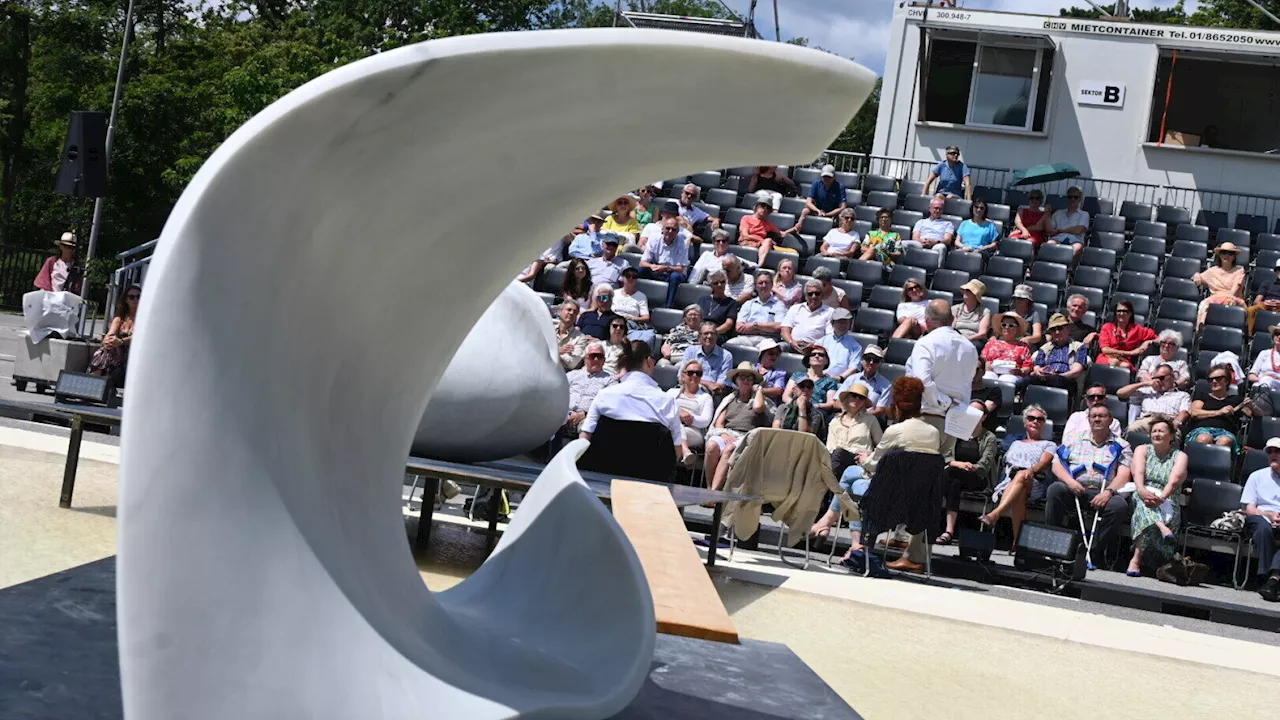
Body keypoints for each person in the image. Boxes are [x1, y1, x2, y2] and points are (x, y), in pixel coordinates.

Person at [856, 376, 943, 572]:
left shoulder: (895, 430)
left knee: (850, 477)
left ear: (896, 406)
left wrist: (863, 459)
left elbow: (874, 465)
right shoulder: (933, 433)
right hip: (921, 504)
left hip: (887, 501)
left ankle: (860, 549)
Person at [1047, 403, 1133, 568]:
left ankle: (1091, 552)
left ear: (1111, 420)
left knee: (1119, 506)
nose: (1097, 419)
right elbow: (1056, 465)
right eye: (1093, 416)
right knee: (1055, 490)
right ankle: (1054, 545)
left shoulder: (1121, 445)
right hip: (1074, 488)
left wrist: (1108, 493)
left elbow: (1123, 474)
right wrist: (1071, 482)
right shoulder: (1073, 439)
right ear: (1088, 419)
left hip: (1103, 492)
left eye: (1102, 416)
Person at [580, 340, 691, 465]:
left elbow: (585, 437)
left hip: (604, 473)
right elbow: (677, 449)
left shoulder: (604, 395)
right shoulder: (668, 401)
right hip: (652, 478)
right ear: (649, 361)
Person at [906, 299, 979, 461]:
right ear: (952, 319)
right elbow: (970, 378)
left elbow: (921, 381)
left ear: (927, 321)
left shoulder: (925, 343)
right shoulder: (970, 347)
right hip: (956, 421)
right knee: (939, 474)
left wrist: (945, 402)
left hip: (928, 417)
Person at [808, 383, 883, 540]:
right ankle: (826, 521)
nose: (856, 399)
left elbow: (881, 446)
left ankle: (822, 514)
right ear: (847, 398)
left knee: (835, 461)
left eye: (861, 397)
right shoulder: (835, 421)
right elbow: (829, 448)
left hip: (859, 462)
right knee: (836, 456)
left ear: (864, 402)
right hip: (837, 460)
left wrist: (868, 455)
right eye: (853, 396)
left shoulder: (871, 421)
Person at [979, 406, 1057, 548]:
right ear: (1025, 422)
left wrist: (1030, 471)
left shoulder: (1049, 444)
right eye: (1031, 418)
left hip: (1035, 481)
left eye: (1040, 419)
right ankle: (1018, 543)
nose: (1035, 421)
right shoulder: (1015, 443)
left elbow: (1044, 463)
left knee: (1022, 476)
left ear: (1043, 424)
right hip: (1011, 482)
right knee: (1019, 491)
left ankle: (995, 514)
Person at [1125, 417, 1189, 577]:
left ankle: (1135, 561)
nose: (1157, 434)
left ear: (1172, 435)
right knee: (1142, 502)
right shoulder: (1142, 449)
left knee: (1145, 509)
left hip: (1168, 499)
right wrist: (1141, 489)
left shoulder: (1180, 456)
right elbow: (1137, 473)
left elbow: (1174, 481)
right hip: (1142, 492)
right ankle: (1162, 528)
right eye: (1154, 431)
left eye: (1161, 431)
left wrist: (1162, 498)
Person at [935, 403, 998, 546]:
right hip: (954, 477)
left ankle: (930, 524)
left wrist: (965, 466)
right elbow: (946, 455)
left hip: (977, 478)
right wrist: (957, 464)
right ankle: (948, 532)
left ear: (984, 417)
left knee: (949, 476)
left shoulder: (989, 438)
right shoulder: (956, 433)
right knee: (954, 482)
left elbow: (984, 466)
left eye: (977, 412)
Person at [705, 363, 772, 490]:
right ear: (736, 380)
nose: (746, 380)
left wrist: (759, 390)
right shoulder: (729, 399)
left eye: (749, 378)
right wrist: (723, 434)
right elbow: (719, 422)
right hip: (728, 432)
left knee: (729, 449)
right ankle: (709, 486)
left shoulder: (758, 400)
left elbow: (758, 407)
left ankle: (713, 493)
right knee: (711, 446)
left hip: (747, 436)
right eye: (742, 377)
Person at [1242, 438, 1280, 601]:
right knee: (1263, 528)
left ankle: (1272, 580)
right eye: (1269, 452)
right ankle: (1268, 576)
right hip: (1260, 516)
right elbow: (1249, 509)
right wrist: (1269, 515)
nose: (1273, 455)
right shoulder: (1257, 476)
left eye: (1277, 451)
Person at [1185, 366, 1258, 450]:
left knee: (1224, 441)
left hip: (1225, 432)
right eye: (1210, 379)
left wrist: (1252, 406)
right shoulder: (1202, 396)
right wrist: (1218, 412)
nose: (1214, 381)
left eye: (1218, 378)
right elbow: (1194, 412)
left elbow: (1254, 414)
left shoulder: (1236, 400)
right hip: (1202, 430)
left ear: (1227, 381)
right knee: (1204, 439)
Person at [1029, 313, 1089, 407]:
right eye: (1053, 330)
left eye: (1060, 328)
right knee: (1026, 381)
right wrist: (1039, 371)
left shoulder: (1080, 347)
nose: (1057, 332)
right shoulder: (1044, 348)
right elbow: (1037, 366)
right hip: (1045, 377)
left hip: (1066, 378)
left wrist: (1059, 375)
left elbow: (1076, 370)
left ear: (1068, 328)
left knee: (1056, 380)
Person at [1118, 364, 1191, 434]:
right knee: (1132, 429)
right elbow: (1120, 393)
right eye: (1155, 378)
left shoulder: (1182, 395)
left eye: (1161, 378)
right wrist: (1145, 383)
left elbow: (1184, 412)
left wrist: (1176, 423)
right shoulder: (1146, 391)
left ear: (1172, 378)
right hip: (1147, 420)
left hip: (1168, 422)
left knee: (1172, 435)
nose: (1158, 381)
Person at [563, 342, 617, 434]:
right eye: (592, 356)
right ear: (585, 359)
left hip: (588, 418)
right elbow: (558, 394)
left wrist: (585, 414)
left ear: (604, 360)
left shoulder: (610, 380)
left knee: (589, 426)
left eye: (599, 356)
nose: (596, 359)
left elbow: (607, 404)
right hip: (563, 415)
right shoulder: (572, 375)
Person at [89, 284, 140, 382]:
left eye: (138, 297)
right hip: (115, 356)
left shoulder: (145, 319)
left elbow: (140, 337)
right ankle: (95, 383)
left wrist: (121, 341)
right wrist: (108, 341)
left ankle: (92, 382)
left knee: (107, 352)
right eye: (132, 297)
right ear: (126, 300)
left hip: (132, 354)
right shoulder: (119, 319)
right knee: (106, 350)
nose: (135, 300)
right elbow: (109, 335)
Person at [638, 216, 690, 309]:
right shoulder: (654, 238)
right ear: (662, 229)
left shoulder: (682, 244)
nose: (670, 231)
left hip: (674, 273)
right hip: (657, 270)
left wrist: (666, 268)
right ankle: (635, 301)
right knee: (638, 270)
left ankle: (668, 307)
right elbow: (642, 262)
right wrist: (652, 266)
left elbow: (681, 269)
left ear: (677, 232)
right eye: (668, 228)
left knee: (675, 276)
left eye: (673, 229)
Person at [665, 358, 714, 452]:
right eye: (690, 373)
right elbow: (662, 408)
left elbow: (705, 420)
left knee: (674, 430)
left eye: (698, 373)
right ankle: (685, 451)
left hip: (694, 431)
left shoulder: (706, 397)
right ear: (683, 376)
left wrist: (687, 417)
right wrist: (679, 413)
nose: (695, 375)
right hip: (672, 426)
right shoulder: (672, 392)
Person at [1192, 242, 1246, 326]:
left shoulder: (1239, 270)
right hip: (1216, 297)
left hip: (1233, 297)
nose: (1227, 256)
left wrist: (1228, 297)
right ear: (1220, 255)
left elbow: (1236, 288)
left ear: (1234, 257)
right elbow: (1199, 277)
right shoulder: (1213, 271)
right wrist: (1196, 275)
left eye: (1230, 254)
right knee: (1203, 304)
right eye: (1224, 253)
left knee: (1230, 302)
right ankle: (1200, 331)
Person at [731, 270, 786, 350]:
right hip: (746, 338)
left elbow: (778, 327)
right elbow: (739, 327)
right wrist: (767, 328)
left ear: (771, 285)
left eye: (766, 282)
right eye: (760, 283)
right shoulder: (748, 304)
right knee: (729, 344)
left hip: (767, 339)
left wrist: (755, 325)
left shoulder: (779, 305)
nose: (763, 285)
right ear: (756, 286)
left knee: (766, 349)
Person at [782, 345, 840, 415]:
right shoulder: (797, 375)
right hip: (795, 407)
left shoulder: (830, 381)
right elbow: (785, 396)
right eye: (813, 354)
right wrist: (798, 404)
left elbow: (830, 403)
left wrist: (813, 406)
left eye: (821, 355)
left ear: (826, 361)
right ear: (808, 360)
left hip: (816, 411)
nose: (816, 356)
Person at [1098, 299, 1156, 370]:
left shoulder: (1137, 329)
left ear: (1130, 313)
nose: (1121, 313)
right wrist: (1130, 353)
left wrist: (1148, 342)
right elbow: (1105, 350)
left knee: (1124, 366)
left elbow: (1159, 338)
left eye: (1125, 311)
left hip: (1125, 360)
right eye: (1119, 311)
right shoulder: (1107, 327)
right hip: (1106, 358)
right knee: (1115, 362)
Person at [781, 280, 834, 354]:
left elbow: (830, 336)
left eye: (817, 293)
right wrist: (791, 342)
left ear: (822, 295)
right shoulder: (795, 308)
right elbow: (785, 329)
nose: (814, 296)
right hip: (793, 344)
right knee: (777, 347)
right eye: (810, 294)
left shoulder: (830, 312)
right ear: (805, 296)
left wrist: (814, 344)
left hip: (815, 348)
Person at [981, 311, 1033, 386]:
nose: (1007, 327)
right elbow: (982, 360)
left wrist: (1020, 371)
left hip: (1012, 375)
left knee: (1006, 381)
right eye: (1004, 325)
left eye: (1011, 325)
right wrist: (986, 364)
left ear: (1017, 329)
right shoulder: (991, 343)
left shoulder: (1023, 347)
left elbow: (1027, 367)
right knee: (987, 378)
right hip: (991, 372)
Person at [793, 164, 847, 235]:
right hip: (817, 210)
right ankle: (798, 229)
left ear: (833, 177)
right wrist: (818, 211)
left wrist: (828, 214)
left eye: (829, 177)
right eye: (824, 176)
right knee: (805, 211)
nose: (826, 179)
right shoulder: (816, 184)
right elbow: (808, 202)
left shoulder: (840, 187)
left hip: (833, 213)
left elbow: (843, 207)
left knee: (843, 215)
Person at [838, 345, 892, 416]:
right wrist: (848, 412)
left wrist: (860, 416)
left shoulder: (886, 385)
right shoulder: (851, 379)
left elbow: (880, 410)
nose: (871, 362)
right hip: (847, 414)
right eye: (868, 358)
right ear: (862, 360)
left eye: (876, 360)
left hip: (869, 418)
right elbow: (837, 401)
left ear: (880, 363)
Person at [685, 321, 733, 397]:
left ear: (717, 336)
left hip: (711, 394)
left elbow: (721, 385)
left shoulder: (726, 356)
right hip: (689, 390)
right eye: (706, 333)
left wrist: (697, 382)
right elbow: (682, 376)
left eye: (712, 333)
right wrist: (708, 383)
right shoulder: (690, 351)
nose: (709, 336)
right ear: (699, 337)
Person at [612, 266, 655, 345]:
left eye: (634, 276)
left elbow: (646, 317)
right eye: (628, 276)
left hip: (629, 323)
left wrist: (633, 318)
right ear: (622, 278)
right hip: (613, 321)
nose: (631, 278)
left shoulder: (641, 296)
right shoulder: (614, 293)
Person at [817, 308, 862, 381]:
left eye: (846, 322)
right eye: (840, 322)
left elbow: (854, 367)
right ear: (832, 323)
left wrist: (840, 378)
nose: (843, 325)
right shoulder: (822, 342)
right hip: (820, 378)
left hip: (841, 382)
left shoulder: (855, 346)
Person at [1047, 186, 1089, 260]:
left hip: (1075, 240)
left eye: (1075, 197)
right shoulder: (1058, 213)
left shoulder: (1084, 214)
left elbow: (1078, 230)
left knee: (1077, 248)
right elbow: (1050, 231)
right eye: (1070, 197)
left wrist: (1061, 230)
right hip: (1058, 239)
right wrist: (1047, 214)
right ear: (1067, 198)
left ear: (1080, 199)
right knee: (1049, 244)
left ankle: (1070, 270)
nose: (1072, 199)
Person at [739, 196, 784, 265]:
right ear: (756, 206)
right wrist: (761, 240)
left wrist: (795, 228)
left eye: (768, 208)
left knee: (768, 240)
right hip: (746, 242)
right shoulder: (746, 218)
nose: (765, 209)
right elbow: (745, 235)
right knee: (767, 241)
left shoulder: (768, 224)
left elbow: (782, 234)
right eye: (763, 206)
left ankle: (759, 266)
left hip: (760, 245)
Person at [696, 271, 739, 341]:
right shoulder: (703, 300)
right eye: (715, 283)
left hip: (718, 334)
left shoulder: (731, 303)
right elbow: (697, 319)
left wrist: (711, 333)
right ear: (711, 285)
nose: (719, 285)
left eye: (722, 282)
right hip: (700, 332)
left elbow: (728, 324)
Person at [1246, 257, 1280, 335]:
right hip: (1265, 305)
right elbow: (1256, 301)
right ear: (1276, 271)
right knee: (1251, 310)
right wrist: (1265, 303)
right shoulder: (1267, 283)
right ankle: (1250, 335)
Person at [951, 279, 991, 343]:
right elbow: (951, 328)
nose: (965, 292)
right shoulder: (955, 308)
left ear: (976, 295)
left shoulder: (984, 312)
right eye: (965, 290)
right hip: (956, 338)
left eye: (969, 290)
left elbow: (982, 334)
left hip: (974, 340)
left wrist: (967, 339)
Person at [555, 302, 591, 370]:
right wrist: (559, 351)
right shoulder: (549, 330)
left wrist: (552, 353)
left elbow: (572, 363)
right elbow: (540, 352)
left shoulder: (580, 337)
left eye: (575, 312)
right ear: (560, 312)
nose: (571, 313)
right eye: (569, 310)